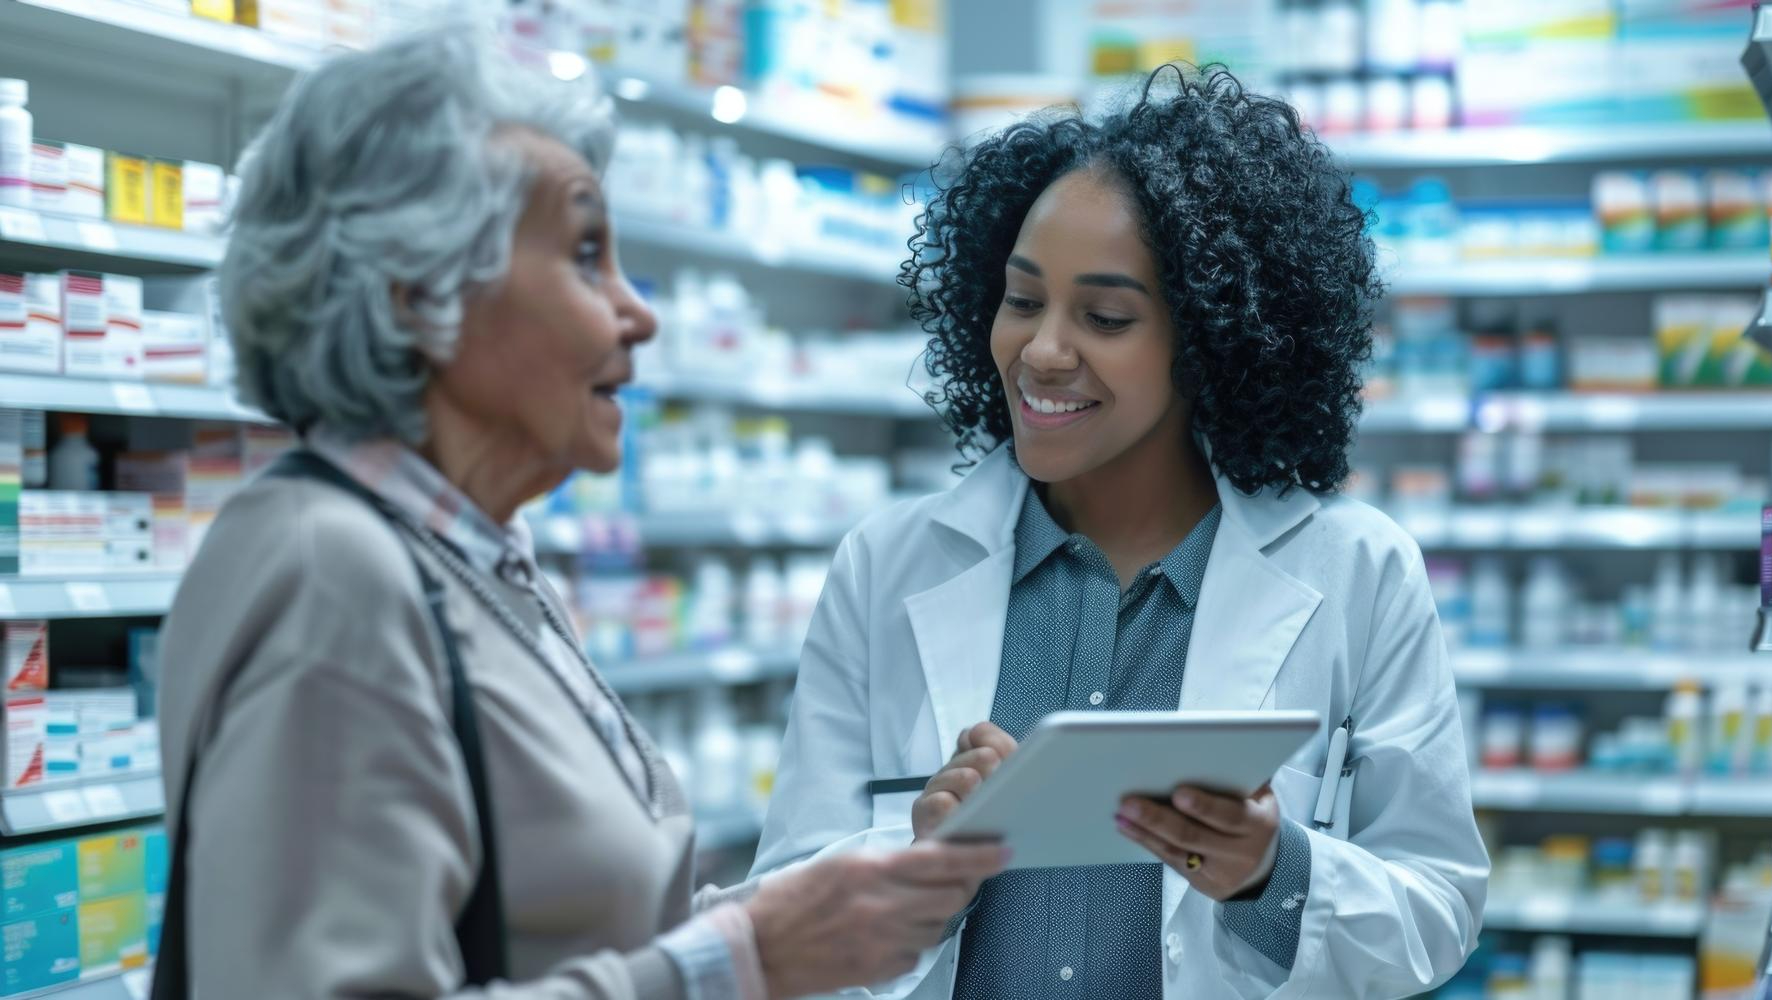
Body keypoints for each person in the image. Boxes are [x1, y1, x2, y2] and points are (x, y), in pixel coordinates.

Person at [155, 29, 1005, 1000]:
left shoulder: (475, 564)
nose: (637, 314)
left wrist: (825, 913)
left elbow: (575, 932)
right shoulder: (331, 574)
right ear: (420, 295)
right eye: (587, 256)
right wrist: (743, 960)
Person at [750, 65, 1487, 999]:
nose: (1042, 351)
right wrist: (913, 880)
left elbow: (1439, 906)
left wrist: (1273, 873)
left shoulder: (1358, 573)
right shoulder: (885, 568)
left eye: (1104, 317)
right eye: (1022, 301)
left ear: (1211, 337)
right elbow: (781, 907)